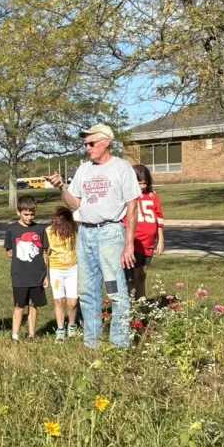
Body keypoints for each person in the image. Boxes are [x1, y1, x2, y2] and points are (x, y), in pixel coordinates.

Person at [46, 125, 140, 349]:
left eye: (91, 143)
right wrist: (61, 188)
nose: (87, 148)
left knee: (115, 291)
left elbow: (132, 207)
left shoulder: (121, 167)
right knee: (87, 292)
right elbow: (74, 203)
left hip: (110, 234)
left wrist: (128, 245)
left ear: (106, 142)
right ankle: (92, 343)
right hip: (86, 233)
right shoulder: (83, 170)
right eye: (85, 144)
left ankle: (119, 344)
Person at [5, 195, 50, 342]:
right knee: (19, 305)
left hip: (37, 275)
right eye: (26, 214)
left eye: (32, 214)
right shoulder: (12, 230)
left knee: (33, 305)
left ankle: (31, 335)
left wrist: (45, 275)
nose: (30, 217)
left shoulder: (40, 229)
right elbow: (9, 252)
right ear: (18, 212)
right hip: (19, 276)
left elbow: (44, 253)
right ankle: (15, 336)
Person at [125, 164, 165, 301]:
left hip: (148, 243)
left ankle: (142, 303)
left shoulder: (153, 196)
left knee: (142, 275)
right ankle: (131, 305)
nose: (141, 186)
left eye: (144, 183)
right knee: (132, 278)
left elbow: (159, 217)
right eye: (139, 183)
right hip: (134, 242)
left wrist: (160, 240)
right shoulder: (128, 197)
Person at [47, 206, 80, 341]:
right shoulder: (48, 232)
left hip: (72, 269)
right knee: (59, 301)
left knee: (72, 302)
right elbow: (45, 253)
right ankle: (60, 330)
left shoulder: (74, 231)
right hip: (56, 269)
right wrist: (45, 273)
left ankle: (71, 326)